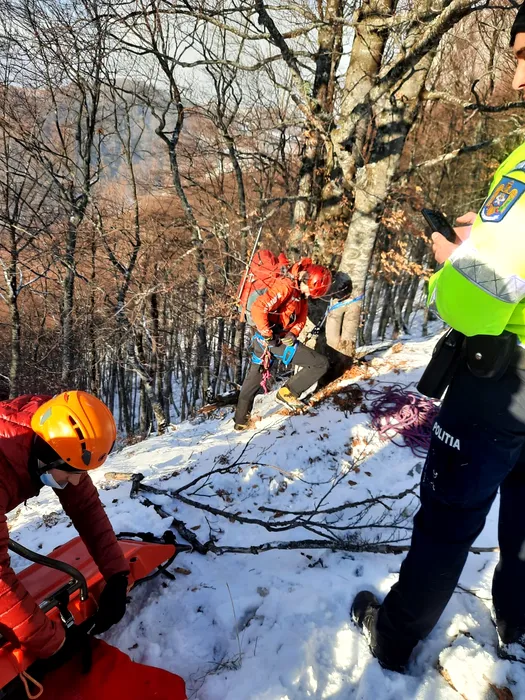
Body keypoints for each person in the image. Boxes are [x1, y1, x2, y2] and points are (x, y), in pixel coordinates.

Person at [351, 4, 525, 673]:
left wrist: (450, 260)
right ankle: (518, 626)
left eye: (524, 57)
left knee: (447, 519)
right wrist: (490, 233)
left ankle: (394, 637)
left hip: (499, 386)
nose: (516, 79)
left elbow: (475, 299)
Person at [0, 391, 129, 664]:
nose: (76, 481)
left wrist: (117, 575)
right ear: (46, 456)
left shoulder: (54, 435)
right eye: (71, 472)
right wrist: (54, 644)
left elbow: (85, 507)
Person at [234, 260, 331, 429]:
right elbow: (258, 308)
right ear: (306, 280)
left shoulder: (299, 293)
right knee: (320, 364)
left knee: (253, 379)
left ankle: (240, 421)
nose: (308, 295)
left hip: (267, 340)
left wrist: (293, 333)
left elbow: (301, 318)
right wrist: (268, 334)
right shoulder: (286, 286)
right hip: (271, 338)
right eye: (309, 291)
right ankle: (288, 392)